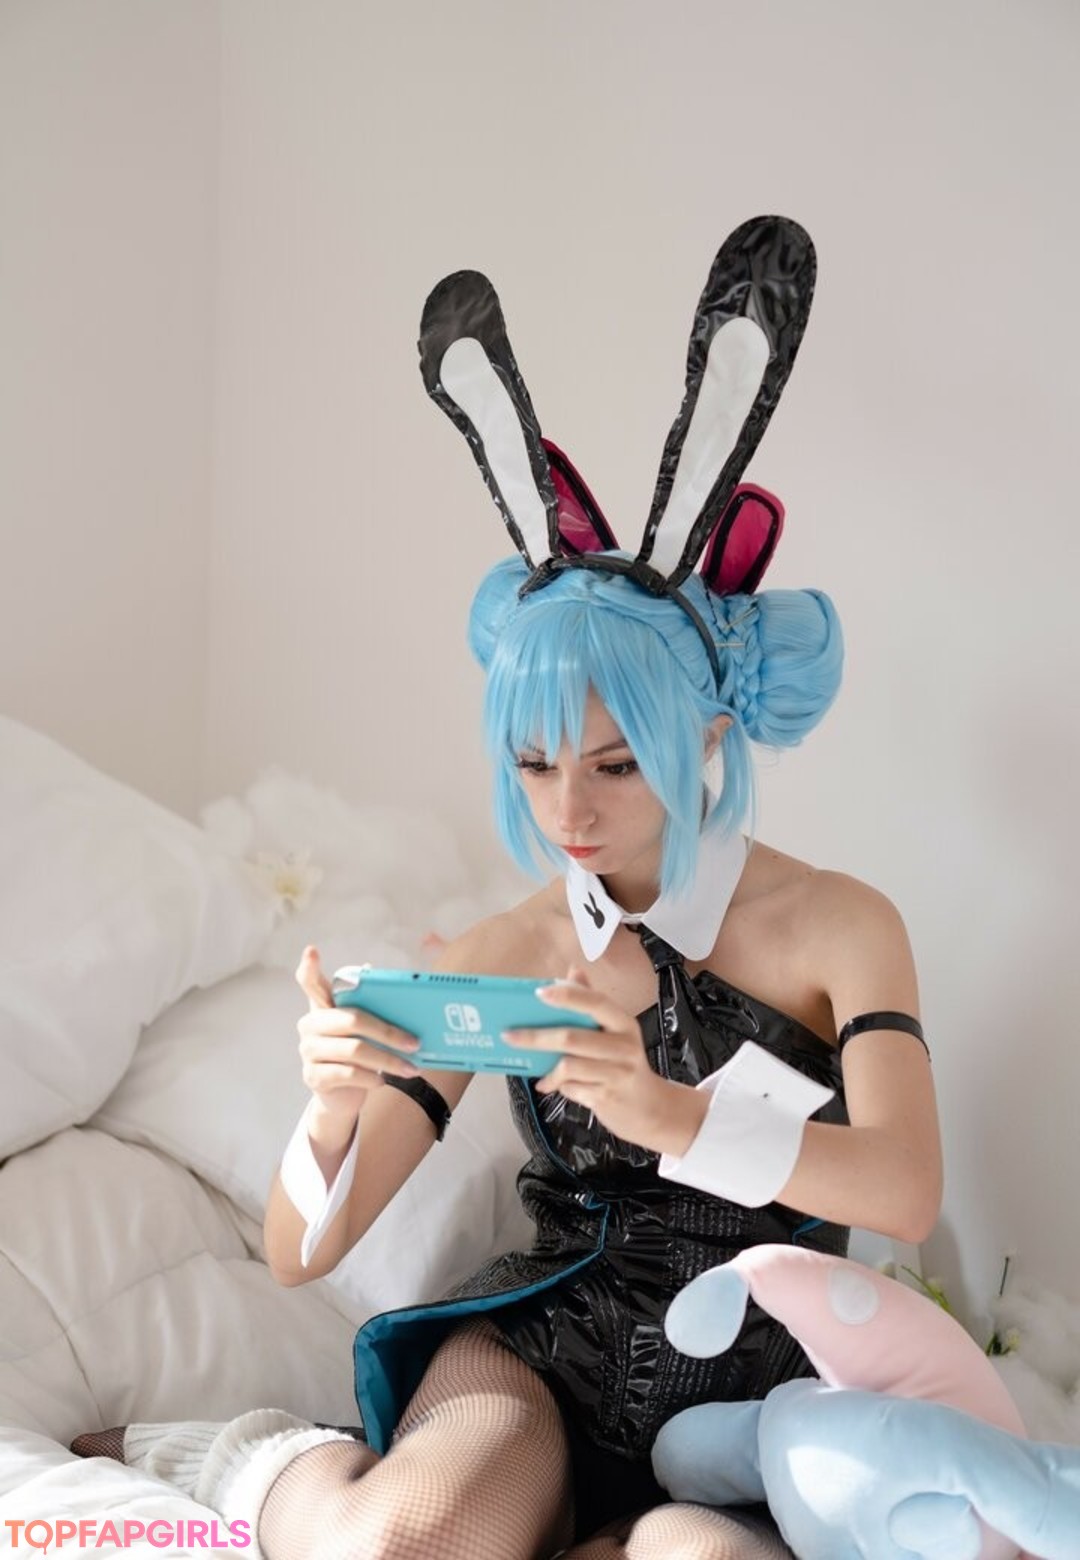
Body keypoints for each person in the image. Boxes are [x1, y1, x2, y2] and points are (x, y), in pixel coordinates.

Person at [71, 218, 943, 1560]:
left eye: (614, 765)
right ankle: (241, 1461)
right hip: (545, 1355)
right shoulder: (510, 946)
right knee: (405, 1543)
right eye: (534, 765)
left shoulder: (840, 927)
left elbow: (905, 1188)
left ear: (709, 738)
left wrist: (670, 1114)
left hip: (760, 1406)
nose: (567, 814)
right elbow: (302, 1252)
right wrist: (332, 1109)